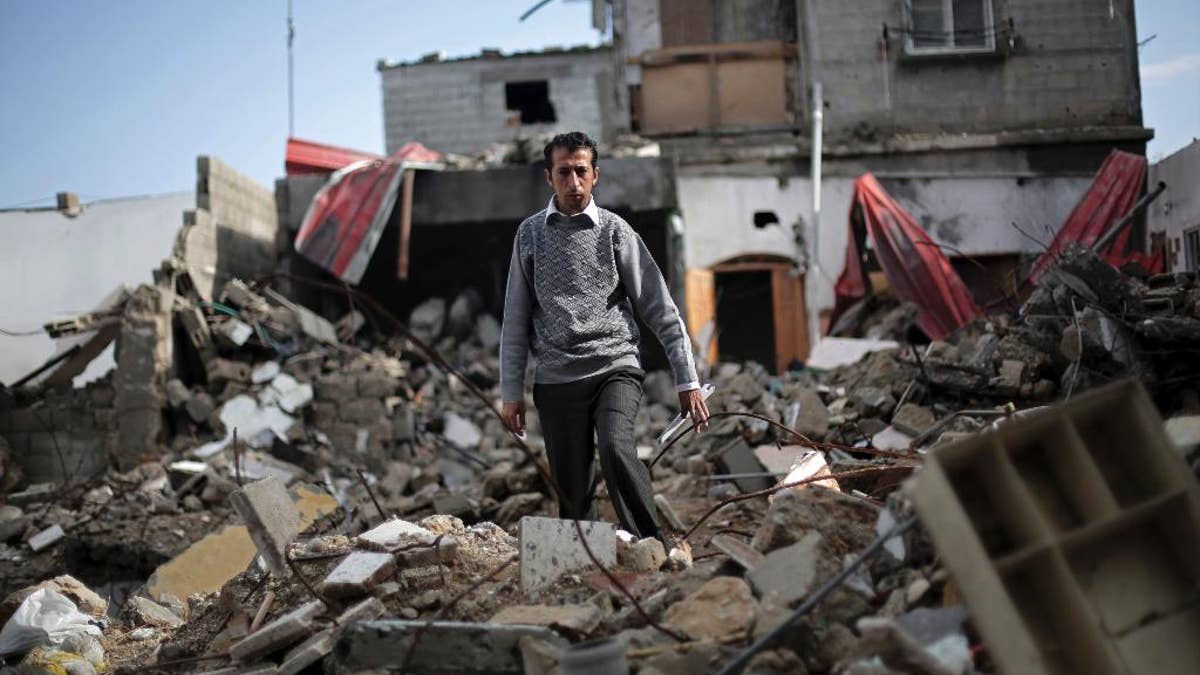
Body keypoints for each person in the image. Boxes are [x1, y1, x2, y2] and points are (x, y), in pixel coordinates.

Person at [499, 131, 710, 542]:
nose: (573, 183)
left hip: (615, 366)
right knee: (572, 487)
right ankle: (589, 566)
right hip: (556, 378)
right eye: (564, 173)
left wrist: (688, 380)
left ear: (596, 175)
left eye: (581, 172)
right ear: (549, 177)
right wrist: (511, 391)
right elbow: (515, 319)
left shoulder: (615, 231)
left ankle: (653, 548)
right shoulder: (529, 236)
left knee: (615, 448)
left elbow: (660, 308)